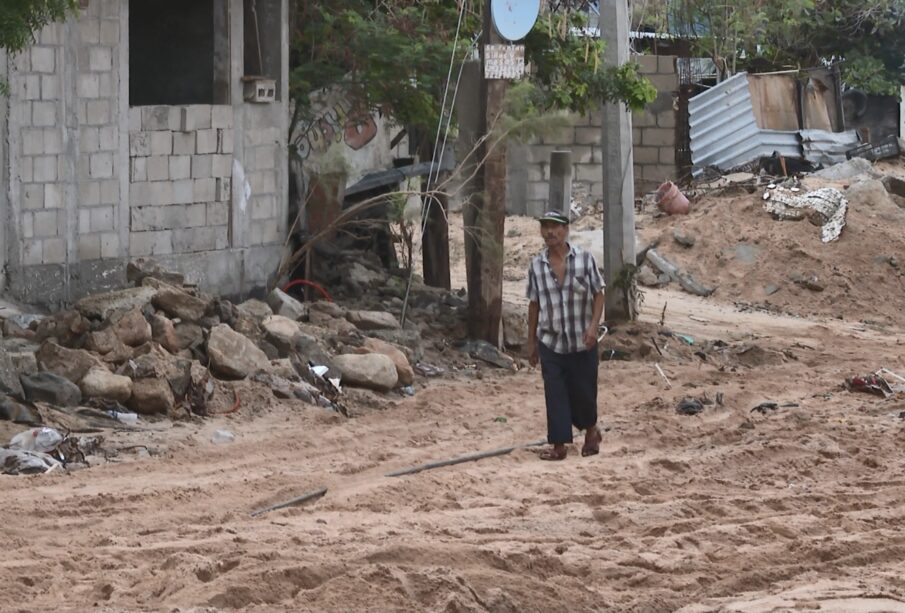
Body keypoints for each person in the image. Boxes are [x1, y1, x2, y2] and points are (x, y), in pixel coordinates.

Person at [526, 210, 604, 461]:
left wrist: (593, 327)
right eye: (545, 226)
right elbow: (534, 304)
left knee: (583, 391)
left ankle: (591, 431)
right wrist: (532, 341)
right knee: (555, 393)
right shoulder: (537, 266)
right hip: (551, 340)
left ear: (566, 229)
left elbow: (598, 293)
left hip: (582, 340)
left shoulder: (584, 260)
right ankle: (558, 445)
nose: (550, 232)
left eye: (555, 227)